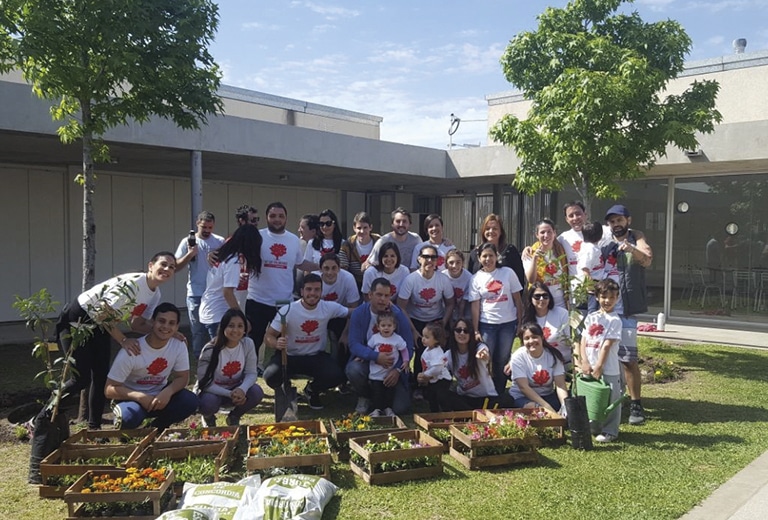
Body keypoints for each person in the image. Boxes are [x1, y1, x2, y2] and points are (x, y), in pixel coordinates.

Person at [28, 252, 180, 483]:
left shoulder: (155, 294)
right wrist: (123, 340)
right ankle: (40, 417)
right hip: (78, 318)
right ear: (151, 266)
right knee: (80, 379)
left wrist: (168, 332)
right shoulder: (133, 283)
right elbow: (102, 311)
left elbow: (137, 323)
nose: (167, 269)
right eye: (163, 264)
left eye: (172, 267)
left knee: (101, 377)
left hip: (101, 325)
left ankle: (95, 431)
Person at [263, 274, 351, 410]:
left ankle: (311, 390)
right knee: (270, 376)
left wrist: (376, 306)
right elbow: (269, 336)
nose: (312, 293)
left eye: (317, 290)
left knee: (336, 375)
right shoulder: (288, 310)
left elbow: (352, 313)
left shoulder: (328, 308)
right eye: (309, 289)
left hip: (315, 357)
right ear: (302, 291)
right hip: (289, 356)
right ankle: (286, 387)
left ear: (321, 292)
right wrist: (276, 343)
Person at [105, 302, 198, 430]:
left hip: (160, 395)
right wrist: (138, 396)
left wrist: (168, 392)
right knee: (128, 417)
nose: (165, 326)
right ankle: (126, 434)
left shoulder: (178, 344)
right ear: (152, 322)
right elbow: (109, 389)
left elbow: (182, 377)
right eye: (161, 321)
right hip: (132, 399)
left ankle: (155, 429)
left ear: (177, 327)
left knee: (190, 401)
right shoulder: (132, 349)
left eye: (171, 323)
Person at [602, 204, 652, 426]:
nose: (616, 224)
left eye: (619, 220)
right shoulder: (604, 241)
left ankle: (636, 405)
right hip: (604, 310)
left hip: (627, 310)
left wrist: (631, 248)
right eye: (612, 221)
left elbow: (647, 259)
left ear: (628, 221)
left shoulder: (636, 239)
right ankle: (609, 400)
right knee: (602, 356)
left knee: (628, 360)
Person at [246, 202, 316, 359]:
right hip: (257, 300)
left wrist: (322, 266)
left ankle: (280, 376)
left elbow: (300, 263)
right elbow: (236, 249)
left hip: (284, 303)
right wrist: (215, 256)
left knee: (284, 343)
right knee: (252, 342)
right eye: (272, 216)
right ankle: (249, 376)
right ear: (266, 218)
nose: (277, 219)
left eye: (281, 216)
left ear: (286, 218)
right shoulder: (257, 237)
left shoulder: (293, 240)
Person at [347, 277, 415, 415]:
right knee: (353, 369)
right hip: (369, 363)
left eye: (386, 295)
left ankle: (384, 398)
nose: (382, 299)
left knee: (401, 408)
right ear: (370, 295)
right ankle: (365, 396)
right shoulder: (359, 313)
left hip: (392, 366)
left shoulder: (397, 315)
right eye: (379, 294)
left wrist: (397, 370)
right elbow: (354, 344)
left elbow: (407, 346)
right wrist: (375, 356)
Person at [397, 244, 455, 394]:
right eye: (426, 257)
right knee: (421, 352)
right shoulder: (411, 280)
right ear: (419, 259)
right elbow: (401, 306)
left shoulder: (443, 279)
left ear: (437, 261)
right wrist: (414, 330)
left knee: (440, 352)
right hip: (415, 319)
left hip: (437, 319)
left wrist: (444, 323)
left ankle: (441, 383)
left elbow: (450, 303)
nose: (430, 260)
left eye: (433, 257)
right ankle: (418, 386)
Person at [468, 242, 524, 395]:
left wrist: (520, 322)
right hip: (487, 325)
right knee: (486, 359)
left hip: (508, 323)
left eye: (491, 255)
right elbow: (475, 306)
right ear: (479, 258)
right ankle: (486, 391)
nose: (488, 259)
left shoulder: (508, 273)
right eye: (484, 256)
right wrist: (475, 329)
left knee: (502, 358)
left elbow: (518, 300)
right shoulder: (475, 279)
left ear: (496, 257)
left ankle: (499, 392)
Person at [196, 308, 264, 427]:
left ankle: (234, 416)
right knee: (208, 402)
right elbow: (204, 383)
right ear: (223, 328)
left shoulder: (248, 344)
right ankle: (208, 417)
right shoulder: (210, 349)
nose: (235, 330)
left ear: (244, 330)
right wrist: (230, 394)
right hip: (214, 392)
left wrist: (242, 389)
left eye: (240, 326)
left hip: (236, 389)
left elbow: (251, 373)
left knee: (256, 392)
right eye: (231, 325)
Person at [174, 211, 225, 357]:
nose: (207, 230)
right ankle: (198, 356)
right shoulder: (188, 242)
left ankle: (216, 354)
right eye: (204, 227)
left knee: (215, 327)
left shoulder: (219, 241)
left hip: (215, 293)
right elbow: (176, 266)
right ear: (197, 224)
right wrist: (190, 254)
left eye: (210, 227)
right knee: (197, 329)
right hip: (195, 292)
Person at [578, 279, 623, 442]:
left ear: (617, 298)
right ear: (597, 297)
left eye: (612, 297)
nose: (607, 301)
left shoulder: (615, 320)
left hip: (608, 367)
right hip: (589, 365)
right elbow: (583, 340)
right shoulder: (591, 317)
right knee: (593, 396)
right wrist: (584, 361)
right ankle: (594, 426)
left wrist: (599, 366)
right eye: (604, 297)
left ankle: (610, 430)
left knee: (612, 398)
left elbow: (606, 345)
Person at [199, 224, 262, 339]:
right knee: (221, 353)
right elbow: (227, 292)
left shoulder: (225, 255)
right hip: (218, 313)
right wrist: (241, 319)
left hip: (211, 309)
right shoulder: (234, 261)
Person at [316, 253, 360, 388]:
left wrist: (346, 334)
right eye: (326, 268)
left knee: (342, 342)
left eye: (334, 268)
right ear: (320, 269)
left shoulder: (348, 278)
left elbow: (354, 308)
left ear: (339, 269)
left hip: (341, 314)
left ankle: (341, 379)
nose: (330, 272)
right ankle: (319, 377)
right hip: (318, 315)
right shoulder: (314, 279)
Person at [503, 322, 568, 415]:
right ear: (522, 341)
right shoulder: (518, 357)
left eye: (534, 337)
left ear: (542, 337)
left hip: (547, 395)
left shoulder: (553, 356)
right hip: (523, 397)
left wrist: (564, 405)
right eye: (527, 338)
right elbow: (523, 387)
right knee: (532, 408)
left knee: (569, 404)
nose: (531, 341)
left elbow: (560, 385)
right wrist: (547, 407)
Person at [445, 319, 497, 410]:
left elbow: (485, 352)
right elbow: (439, 368)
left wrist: (483, 355)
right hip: (465, 398)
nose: (462, 333)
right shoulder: (449, 355)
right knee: (447, 396)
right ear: (453, 333)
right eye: (458, 330)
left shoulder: (479, 347)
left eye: (466, 331)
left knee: (506, 400)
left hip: (486, 398)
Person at [367, 311, 409, 418]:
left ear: (394, 326)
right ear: (378, 327)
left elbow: (404, 350)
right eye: (383, 325)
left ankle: (388, 409)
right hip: (376, 372)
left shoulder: (397, 339)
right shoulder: (375, 338)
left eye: (389, 325)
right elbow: (368, 350)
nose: (386, 328)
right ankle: (377, 409)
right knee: (377, 392)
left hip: (390, 373)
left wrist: (406, 361)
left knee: (389, 392)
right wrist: (363, 357)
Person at [467, 213, 526, 289]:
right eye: (487, 228)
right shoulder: (475, 253)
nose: (491, 231)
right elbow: (470, 278)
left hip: (506, 298)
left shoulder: (510, 251)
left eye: (495, 228)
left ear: (501, 232)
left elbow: (519, 278)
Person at [522, 218, 570, 309]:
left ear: (554, 233)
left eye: (549, 232)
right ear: (537, 235)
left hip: (560, 301)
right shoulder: (530, 253)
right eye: (542, 232)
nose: (546, 235)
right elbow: (531, 279)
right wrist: (535, 258)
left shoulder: (560, 249)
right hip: (540, 301)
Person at [522, 282, 572, 365]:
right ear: (531, 298)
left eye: (545, 296)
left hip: (564, 362)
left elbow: (574, 341)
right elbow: (525, 345)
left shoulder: (562, 313)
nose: (541, 299)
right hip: (540, 364)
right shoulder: (527, 318)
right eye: (537, 296)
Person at [415, 322, 452, 412]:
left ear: (436, 340)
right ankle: (434, 413)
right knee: (431, 396)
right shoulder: (427, 349)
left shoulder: (437, 352)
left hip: (442, 379)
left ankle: (447, 413)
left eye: (427, 337)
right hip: (432, 379)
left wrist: (426, 375)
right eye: (423, 336)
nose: (423, 339)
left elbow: (437, 368)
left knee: (441, 397)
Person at [340, 211, 380, 290]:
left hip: (376, 282)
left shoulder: (379, 242)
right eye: (359, 228)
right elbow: (343, 270)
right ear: (354, 228)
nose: (362, 231)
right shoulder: (347, 245)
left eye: (365, 228)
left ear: (370, 227)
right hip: (354, 283)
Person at [578, 222, 605, 312]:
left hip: (594, 284)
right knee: (591, 310)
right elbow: (585, 268)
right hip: (591, 285)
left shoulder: (592, 247)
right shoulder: (590, 249)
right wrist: (590, 287)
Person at [442, 248, 472, 321]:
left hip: (463, 306)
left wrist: (460, 316)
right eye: (451, 262)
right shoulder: (442, 276)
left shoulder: (469, 277)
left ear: (462, 263)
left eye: (458, 262)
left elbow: (464, 299)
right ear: (446, 264)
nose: (454, 266)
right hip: (445, 306)